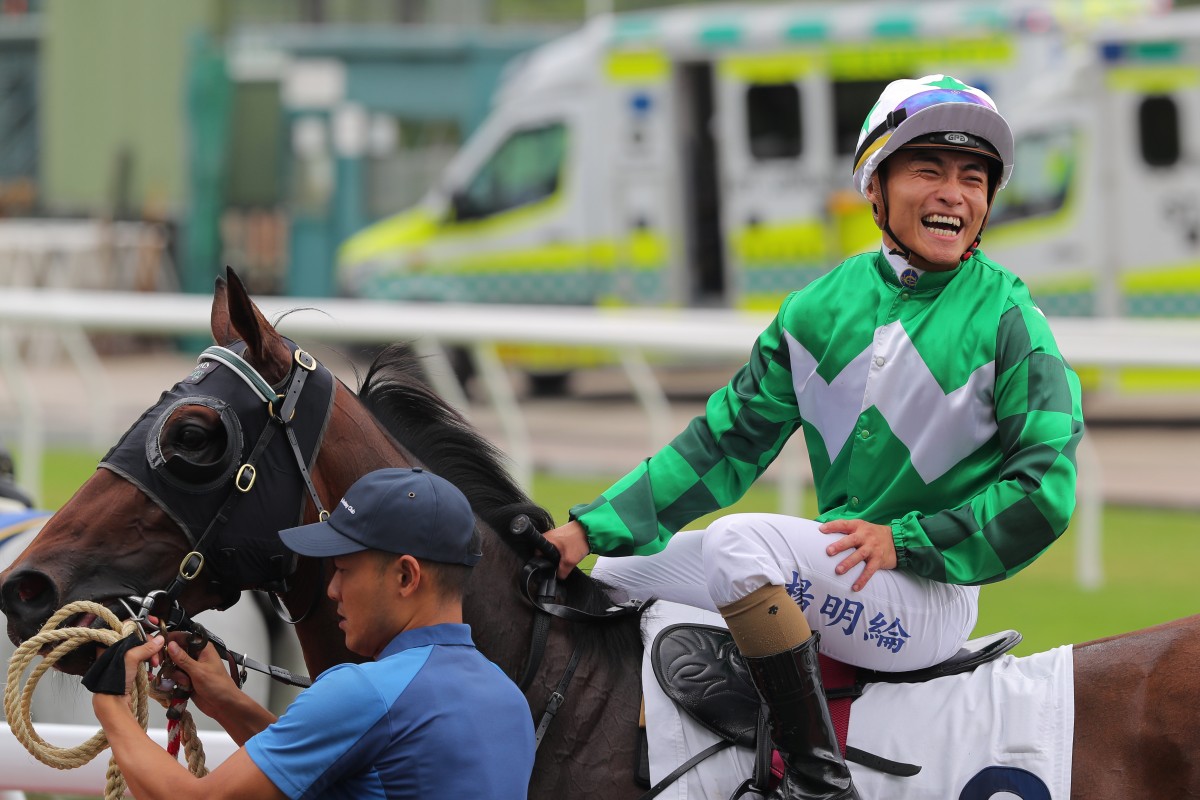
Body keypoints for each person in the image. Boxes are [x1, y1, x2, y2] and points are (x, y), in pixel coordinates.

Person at [544, 75, 1084, 800]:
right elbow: (722, 444)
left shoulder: (1011, 319)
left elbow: (1046, 488)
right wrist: (590, 530)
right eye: (929, 171)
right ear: (876, 187)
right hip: (841, 570)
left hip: (927, 595)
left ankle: (815, 779)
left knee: (741, 545)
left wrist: (910, 540)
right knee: (602, 581)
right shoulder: (818, 309)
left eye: (974, 178)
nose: (955, 194)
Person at [90, 466, 536, 799]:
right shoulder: (508, 700)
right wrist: (226, 701)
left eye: (343, 570)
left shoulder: (365, 692)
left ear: (406, 577)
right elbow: (332, 766)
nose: (334, 590)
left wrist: (112, 703)